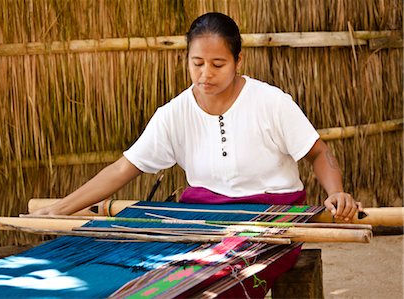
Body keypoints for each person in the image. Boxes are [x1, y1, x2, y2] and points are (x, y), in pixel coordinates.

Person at [34, 12, 362, 298]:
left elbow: (319, 152)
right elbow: (123, 168)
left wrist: (336, 193)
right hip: (200, 219)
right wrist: (60, 209)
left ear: (238, 61)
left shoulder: (271, 103)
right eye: (197, 63)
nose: (205, 74)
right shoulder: (173, 114)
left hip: (272, 221)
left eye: (218, 64)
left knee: (215, 279)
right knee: (136, 269)